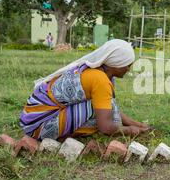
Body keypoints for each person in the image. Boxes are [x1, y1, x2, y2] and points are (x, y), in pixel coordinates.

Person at [20, 39, 150, 141]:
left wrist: (138, 124)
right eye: (127, 65)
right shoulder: (100, 79)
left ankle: (66, 132)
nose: (128, 69)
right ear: (115, 63)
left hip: (31, 117)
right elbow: (105, 127)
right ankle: (61, 136)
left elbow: (107, 105)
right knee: (108, 118)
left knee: (109, 110)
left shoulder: (100, 72)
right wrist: (130, 130)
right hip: (37, 125)